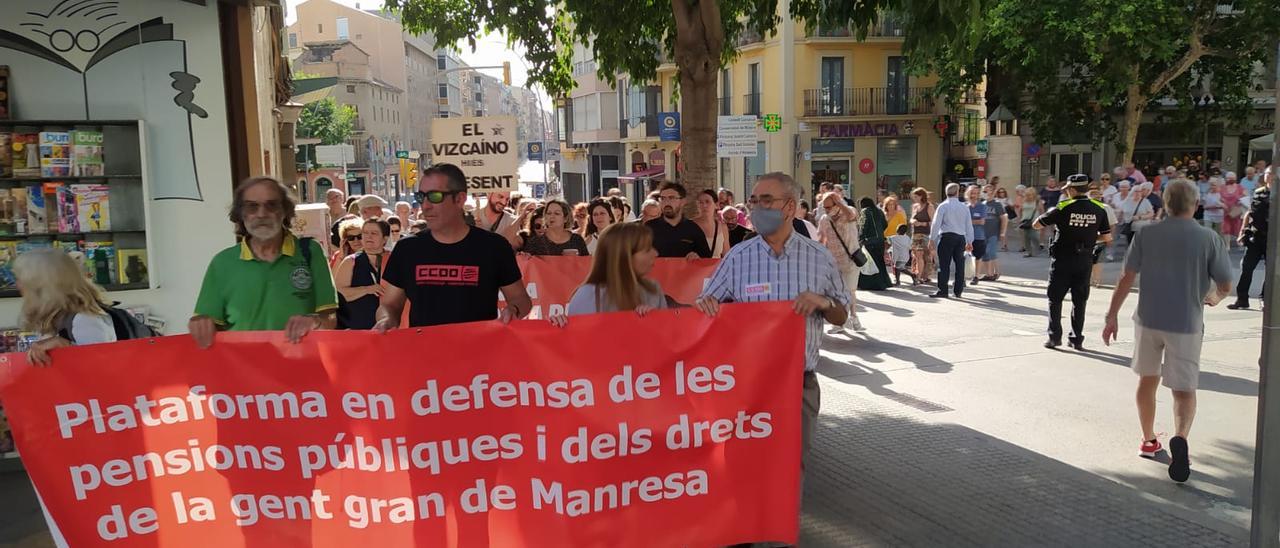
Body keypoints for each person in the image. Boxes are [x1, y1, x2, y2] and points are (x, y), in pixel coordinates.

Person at [693, 172, 851, 483]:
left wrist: (822, 303)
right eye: (754, 201)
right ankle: (746, 528)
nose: (757, 208)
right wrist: (706, 305)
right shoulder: (739, 257)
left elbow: (842, 314)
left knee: (791, 467)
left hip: (798, 384)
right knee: (743, 464)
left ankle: (780, 528)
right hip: (747, 385)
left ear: (790, 207)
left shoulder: (819, 258)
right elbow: (705, 304)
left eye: (767, 201)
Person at [1102, 180, 1233, 483]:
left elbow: (1126, 277)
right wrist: (1212, 298)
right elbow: (1225, 285)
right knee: (1184, 390)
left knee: (1147, 380)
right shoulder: (1208, 238)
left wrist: (1111, 316)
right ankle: (1181, 438)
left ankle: (1149, 440)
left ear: (1164, 202)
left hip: (1148, 320)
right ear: (1196, 203)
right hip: (1186, 323)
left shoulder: (1147, 234)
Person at [374, 163, 532, 329]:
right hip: (424, 351)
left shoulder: (494, 247)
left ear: (459, 199)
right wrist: (385, 320)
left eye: (435, 196)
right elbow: (389, 305)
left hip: (479, 350)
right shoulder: (407, 249)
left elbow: (521, 300)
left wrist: (513, 310)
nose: (425, 205)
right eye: (421, 197)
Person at [190, 176, 337, 348]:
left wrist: (314, 321)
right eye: (252, 206)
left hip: (300, 368)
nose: (261, 214)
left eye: (271, 205)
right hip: (243, 369)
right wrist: (201, 324)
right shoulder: (222, 262)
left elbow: (331, 320)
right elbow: (209, 326)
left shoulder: (310, 252)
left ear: (285, 211)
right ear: (240, 213)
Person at [1033, 174, 1111, 350]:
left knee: (1055, 299)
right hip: (1084, 260)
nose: (1067, 192)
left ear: (1073, 190)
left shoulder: (1062, 207)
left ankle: (1054, 337)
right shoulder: (1099, 208)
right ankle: (1076, 339)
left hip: (1062, 260)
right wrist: (1089, 237)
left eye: (1068, 189)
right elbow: (1107, 236)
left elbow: (1037, 225)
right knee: (1080, 301)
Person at [549, 223, 667, 325]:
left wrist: (657, 321)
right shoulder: (589, 294)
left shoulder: (653, 289)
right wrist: (559, 326)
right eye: (647, 250)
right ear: (624, 257)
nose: (655, 253)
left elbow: (669, 341)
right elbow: (578, 342)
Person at [15, 249, 118, 365]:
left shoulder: (84, 319)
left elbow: (104, 366)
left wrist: (65, 345)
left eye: (22, 280)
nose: (17, 285)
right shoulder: (57, 316)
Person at [817, 192, 864, 332]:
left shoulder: (849, 212)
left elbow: (852, 216)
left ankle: (854, 317)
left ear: (837, 203)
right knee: (836, 293)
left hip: (850, 259)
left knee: (850, 291)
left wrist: (840, 205)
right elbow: (822, 239)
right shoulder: (824, 219)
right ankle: (839, 323)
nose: (826, 210)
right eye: (824, 207)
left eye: (829, 206)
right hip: (833, 262)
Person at [335, 218, 390, 330]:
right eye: (364, 233)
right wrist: (367, 289)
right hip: (358, 330)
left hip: (389, 328)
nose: (368, 237)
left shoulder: (394, 259)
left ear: (385, 239)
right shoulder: (351, 261)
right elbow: (339, 294)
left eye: (374, 233)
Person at [1228, 171, 1270, 310]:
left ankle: (1265, 299)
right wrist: (1242, 231)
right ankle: (1242, 299)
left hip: (1272, 239)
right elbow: (1249, 212)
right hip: (1255, 237)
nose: (1269, 176)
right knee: (1246, 267)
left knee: (1270, 271)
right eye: (1267, 173)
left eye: (1272, 173)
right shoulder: (1258, 192)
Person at [929, 183, 974, 299]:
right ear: (957, 192)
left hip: (946, 236)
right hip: (960, 238)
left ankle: (943, 290)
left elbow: (936, 223)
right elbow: (969, 225)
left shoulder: (943, 206)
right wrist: (970, 241)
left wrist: (932, 238)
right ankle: (958, 291)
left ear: (946, 192)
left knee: (944, 265)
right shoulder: (964, 207)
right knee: (960, 264)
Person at [646, 182, 713, 259]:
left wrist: (697, 257)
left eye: (671, 198)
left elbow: (707, 260)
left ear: (683, 201)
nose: (666, 202)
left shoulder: (693, 229)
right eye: (663, 198)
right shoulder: (648, 228)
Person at [522, 199, 590, 256]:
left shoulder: (577, 240)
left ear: (565, 218)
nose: (552, 216)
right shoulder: (535, 243)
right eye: (549, 213)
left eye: (557, 213)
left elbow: (585, 264)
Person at [857, 197, 892, 291]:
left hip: (869, 240)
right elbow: (885, 224)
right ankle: (883, 282)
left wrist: (860, 237)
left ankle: (869, 284)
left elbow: (863, 225)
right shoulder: (879, 211)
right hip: (880, 240)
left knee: (869, 263)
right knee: (879, 262)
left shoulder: (865, 211)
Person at [1088, 186, 1118, 284]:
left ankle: (1096, 279)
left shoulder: (1106, 208)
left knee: (1096, 260)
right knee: (1096, 260)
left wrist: (1109, 238)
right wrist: (1109, 238)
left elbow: (1112, 225)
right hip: (1096, 237)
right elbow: (1112, 224)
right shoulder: (1106, 207)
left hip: (1096, 237)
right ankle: (1095, 279)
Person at [979, 183, 1007, 281]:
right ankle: (989, 274)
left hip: (993, 232)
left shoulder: (997, 204)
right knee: (985, 254)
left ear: (993, 192)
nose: (986, 193)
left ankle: (997, 272)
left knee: (991, 252)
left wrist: (1003, 232)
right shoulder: (982, 204)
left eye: (988, 191)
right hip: (983, 233)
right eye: (984, 191)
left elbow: (1004, 218)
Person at [693, 189, 730, 259]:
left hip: (717, 269)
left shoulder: (722, 227)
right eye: (700, 202)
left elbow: (726, 256)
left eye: (707, 202)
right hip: (697, 268)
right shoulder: (690, 226)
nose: (704, 205)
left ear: (716, 205)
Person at [909, 187, 935, 284]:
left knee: (922, 255)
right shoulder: (915, 206)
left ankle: (920, 276)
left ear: (921, 196)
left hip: (925, 234)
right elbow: (911, 218)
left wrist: (922, 223)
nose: (914, 199)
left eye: (916, 197)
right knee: (916, 255)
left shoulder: (929, 206)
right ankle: (921, 274)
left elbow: (933, 221)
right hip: (915, 234)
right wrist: (913, 221)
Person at [964, 185, 988, 286]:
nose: (974, 195)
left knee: (978, 256)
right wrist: (972, 221)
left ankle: (976, 276)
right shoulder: (964, 206)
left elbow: (982, 222)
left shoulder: (982, 206)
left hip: (978, 235)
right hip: (965, 236)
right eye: (972, 193)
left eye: (976, 193)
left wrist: (968, 222)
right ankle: (964, 277)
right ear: (968, 194)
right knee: (964, 256)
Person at [1221, 174, 1247, 247]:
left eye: (1231, 178)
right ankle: (1227, 245)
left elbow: (1246, 195)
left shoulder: (1239, 187)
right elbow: (1218, 197)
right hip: (1226, 211)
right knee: (1226, 228)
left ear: (1235, 179)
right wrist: (1222, 203)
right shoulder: (1223, 188)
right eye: (1228, 178)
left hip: (1236, 211)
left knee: (1238, 227)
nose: (1230, 179)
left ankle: (1239, 243)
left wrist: (1241, 200)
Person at [1019, 186, 1043, 256]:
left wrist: (1042, 220)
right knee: (1026, 237)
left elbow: (1042, 211)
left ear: (1033, 194)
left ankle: (1037, 247)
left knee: (1033, 235)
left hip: (1035, 220)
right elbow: (1020, 210)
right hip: (1025, 220)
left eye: (1030, 194)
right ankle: (1029, 252)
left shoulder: (1037, 201)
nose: (1028, 196)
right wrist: (1020, 218)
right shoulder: (1024, 201)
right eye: (1027, 194)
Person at [1039, 176, 1062, 248]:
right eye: (1050, 181)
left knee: (1054, 227)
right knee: (1042, 226)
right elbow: (1039, 199)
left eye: (1053, 181)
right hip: (1044, 210)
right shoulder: (1043, 190)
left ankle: (1054, 241)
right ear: (1047, 182)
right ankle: (1041, 243)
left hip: (1054, 210)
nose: (1051, 183)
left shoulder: (1059, 191)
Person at [1201, 178, 1226, 242]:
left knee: (1219, 233)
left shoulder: (1221, 194)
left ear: (1218, 185)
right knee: (1207, 232)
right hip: (1208, 215)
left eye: (1214, 185)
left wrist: (1217, 206)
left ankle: (1220, 246)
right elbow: (1204, 206)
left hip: (1219, 216)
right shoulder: (1207, 193)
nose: (1212, 186)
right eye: (1211, 185)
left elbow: (1225, 206)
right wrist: (1214, 206)